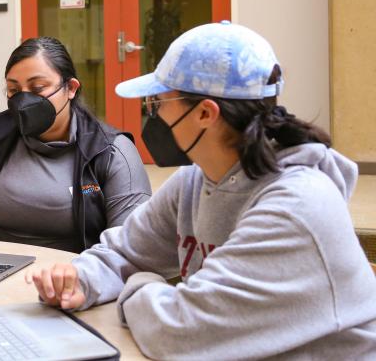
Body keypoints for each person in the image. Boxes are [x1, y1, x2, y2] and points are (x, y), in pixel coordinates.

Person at [30, 22, 376, 359]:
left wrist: (140, 284)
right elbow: (126, 252)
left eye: (158, 102)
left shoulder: (298, 207)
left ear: (205, 114)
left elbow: (179, 332)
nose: (154, 115)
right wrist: (81, 279)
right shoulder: (195, 180)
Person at [0, 36, 150, 253]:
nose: (23, 101)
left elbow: (129, 248)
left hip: (73, 279)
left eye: (38, 88)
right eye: (14, 91)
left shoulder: (111, 151)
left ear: (71, 88)